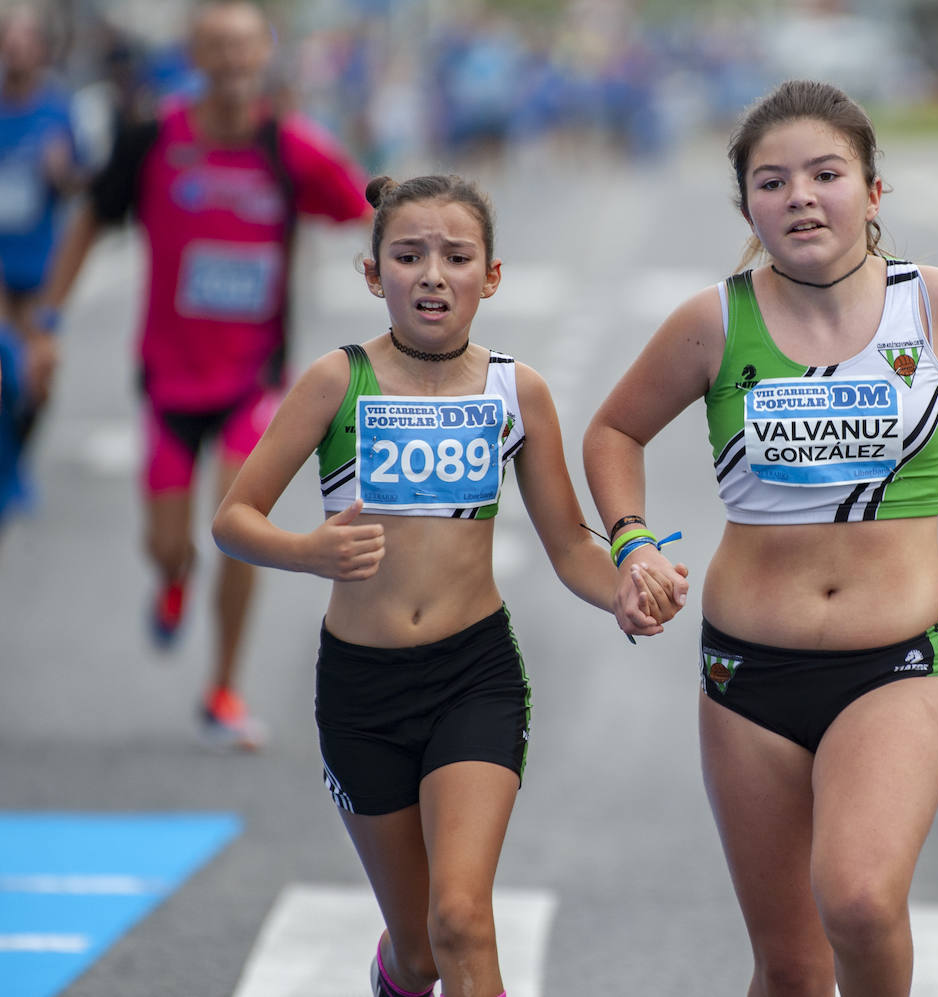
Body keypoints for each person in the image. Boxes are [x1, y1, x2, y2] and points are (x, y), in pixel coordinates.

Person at [583, 79, 938, 996]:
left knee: (858, 901)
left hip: (894, 663)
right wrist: (633, 542)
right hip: (746, 676)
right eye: (772, 182)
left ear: (873, 193)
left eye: (826, 173)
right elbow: (612, 432)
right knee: (791, 969)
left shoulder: (934, 305)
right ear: (747, 207)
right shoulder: (713, 322)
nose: (800, 195)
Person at [212, 172, 687, 997]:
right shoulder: (337, 381)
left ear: (490, 276)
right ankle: (394, 976)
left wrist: (622, 584)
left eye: (456, 256)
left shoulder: (515, 389)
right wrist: (308, 550)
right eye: (408, 255)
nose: (432, 273)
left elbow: (568, 543)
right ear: (373, 274)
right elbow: (234, 518)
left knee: (462, 917)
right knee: (421, 948)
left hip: (475, 673)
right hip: (362, 687)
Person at [32, 1, 371, 749]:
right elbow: (92, 219)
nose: (230, 60)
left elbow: (363, 208)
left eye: (243, 47)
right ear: (195, 53)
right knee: (166, 542)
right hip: (168, 381)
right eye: (216, 46)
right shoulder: (153, 140)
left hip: (253, 381)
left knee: (238, 524)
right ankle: (172, 577)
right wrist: (49, 320)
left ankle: (222, 687)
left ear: (264, 54)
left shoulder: (291, 148)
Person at [0, 3, 84, 531]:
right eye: (10, 38)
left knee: (38, 375)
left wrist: (62, 170)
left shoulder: (58, 109)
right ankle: (8, 473)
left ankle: (16, 460)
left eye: (27, 39)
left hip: (43, 261)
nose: (17, 48)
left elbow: (80, 184)